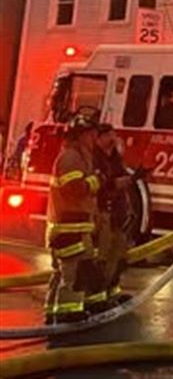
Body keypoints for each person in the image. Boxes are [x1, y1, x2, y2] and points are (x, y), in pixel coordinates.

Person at [43, 112, 103, 324]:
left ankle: (53, 312)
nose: (94, 140)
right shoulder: (70, 158)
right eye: (91, 135)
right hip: (68, 228)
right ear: (79, 136)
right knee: (72, 274)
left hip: (74, 227)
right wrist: (96, 181)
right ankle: (67, 313)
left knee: (65, 273)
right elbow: (74, 190)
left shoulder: (80, 157)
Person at [91, 123, 135, 311]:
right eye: (107, 135)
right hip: (102, 212)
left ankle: (112, 290)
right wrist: (114, 184)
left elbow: (122, 181)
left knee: (118, 254)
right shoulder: (94, 159)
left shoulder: (116, 158)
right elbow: (97, 185)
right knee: (101, 255)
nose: (112, 138)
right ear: (98, 138)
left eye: (113, 134)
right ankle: (96, 297)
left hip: (118, 212)